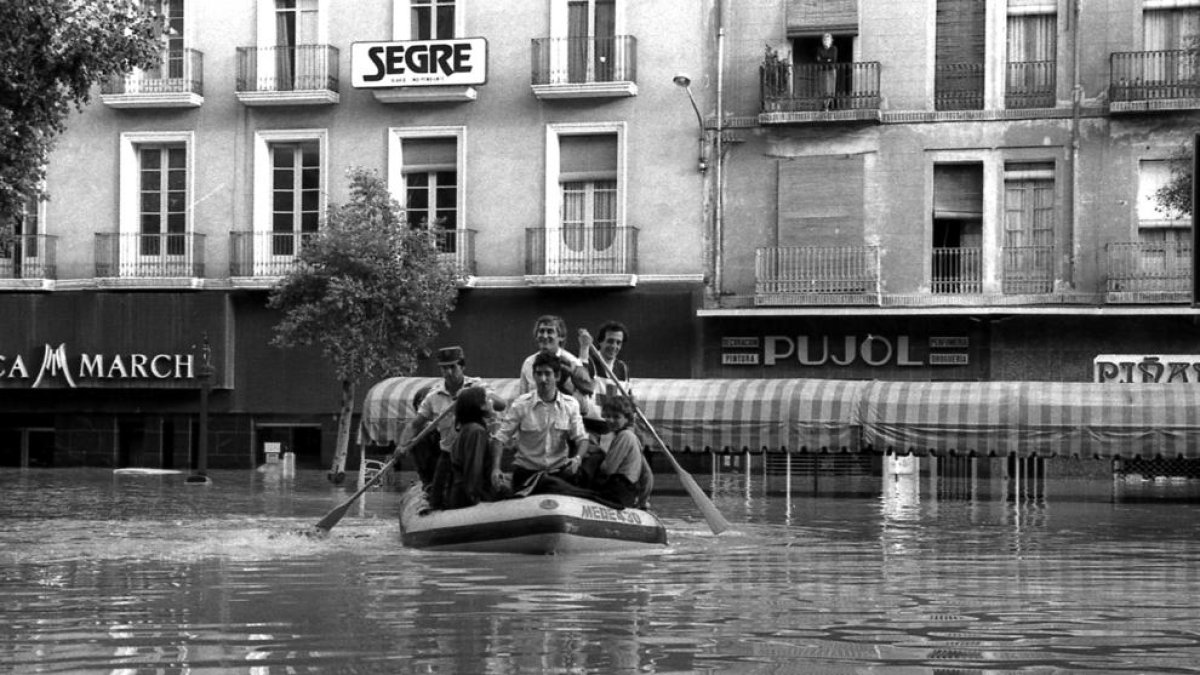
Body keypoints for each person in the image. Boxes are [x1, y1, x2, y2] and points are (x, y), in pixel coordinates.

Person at [396, 345, 500, 509]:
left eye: (453, 367)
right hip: (448, 454)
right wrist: (402, 445)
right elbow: (415, 425)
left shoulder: (477, 386)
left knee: (475, 494)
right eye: (444, 368)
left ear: (462, 366)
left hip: (476, 454)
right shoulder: (434, 396)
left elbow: (501, 404)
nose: (449, 372)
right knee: (436, 502)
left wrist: (473, 396)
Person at [496, 351, 590, 496]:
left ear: (557, 376)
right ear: (533, 376)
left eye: (547, 374)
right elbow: (499, 438)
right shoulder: (521, 404)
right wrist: (495, 469)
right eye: (539, 374)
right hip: (527, 475)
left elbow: (582, 438)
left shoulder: (571, 405)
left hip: (559, 472)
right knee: (551, 485)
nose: (543, 379)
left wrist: (577, 459)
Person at [579, 395, 653, 509]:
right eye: (608, 416)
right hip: (627, 492)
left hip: (619, 491)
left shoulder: (624, 436)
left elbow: (608, 469)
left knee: (594, 460)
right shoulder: (632, 439)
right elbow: (647, 477)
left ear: (627, 418)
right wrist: (643, 501)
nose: (610, 420)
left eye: (616, 417)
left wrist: (600, 457)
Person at [518, 314, 595, 414]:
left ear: (561, 337)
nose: (545, 336)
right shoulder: (528, 363)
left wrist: (568, 386)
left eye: (550, 331)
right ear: (536, 336)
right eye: (541, 331)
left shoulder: (573, 363)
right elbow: (521, 400)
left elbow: (584, 408)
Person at [445, 386, 501, 509]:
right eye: (487, 399)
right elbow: (473, 469)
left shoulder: (468, 428)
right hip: (467, 496)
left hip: (460, 490)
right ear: (480, 406)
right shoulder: (476, 432)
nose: (491, 402)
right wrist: (474, 499)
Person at [578, 320, 631, 409]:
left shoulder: (623, 368)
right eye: (610, 341)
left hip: (613, 422)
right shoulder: (589, 362)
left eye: (618, 343)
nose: (614, 346)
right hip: (589, 421)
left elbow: (627, 400)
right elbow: (580, 381)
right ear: (600, 342)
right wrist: (584, 347)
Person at [816, 33, 837, 111]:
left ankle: (828, 106)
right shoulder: (819, 49)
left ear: (831, 41)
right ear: (822, 41)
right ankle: (824, 106)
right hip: (822, 71)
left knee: (830, 89)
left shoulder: (834, 49)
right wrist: (827, 60)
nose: (826, 41)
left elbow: (834, 59)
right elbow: (818, 60)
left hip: (831, 71)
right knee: (823, 89)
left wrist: (823, 60)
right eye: (824, 39)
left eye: (827, 39)